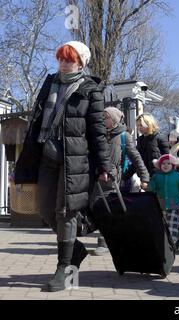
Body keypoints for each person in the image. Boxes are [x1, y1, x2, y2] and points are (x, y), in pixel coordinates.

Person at [14, 41, 110, 292]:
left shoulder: (90, 89)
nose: (64, 63)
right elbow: (36, 120)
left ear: (81, 62)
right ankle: (75, 248)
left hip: (74, 160)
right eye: (61, 58)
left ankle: (64, 267)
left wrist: (104, 164)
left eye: (69, 59)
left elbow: (98, 131)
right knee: (44, 208)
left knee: (65, 211)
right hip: (46, 155)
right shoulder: (50, 83)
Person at [91, 107, 151, 256]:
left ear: (114, 119)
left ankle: (105, 242)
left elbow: (136, 158)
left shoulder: (124, 136)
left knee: (105, 208)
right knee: (96, 207)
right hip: (96, 177)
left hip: (112, 179)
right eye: (102, 117)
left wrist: (145, 178)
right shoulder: (99, 134)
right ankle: (114, 238)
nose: (103, 120)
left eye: (106, 117)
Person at [149, 154, 179, 247]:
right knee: (162, 225)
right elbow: (151, 189)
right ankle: (164, 243)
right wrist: (147, 189)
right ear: (159, 165)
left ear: (173, 165)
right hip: (160, 205)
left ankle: (172, 244)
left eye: (168, 163)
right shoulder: (156, 177)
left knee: (173, 225)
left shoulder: (177, 176)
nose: (166, 165)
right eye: (163, 163)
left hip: (174, 205)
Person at [123, 113, 170, 178]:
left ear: (149, 124)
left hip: (160, 178)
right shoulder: (140, 140)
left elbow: (168, 159)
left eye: (141, 125)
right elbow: (136, 162)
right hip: (144, 179)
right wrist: (125, 177)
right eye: (138, 125)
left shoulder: (160, 138)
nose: (139, 127)